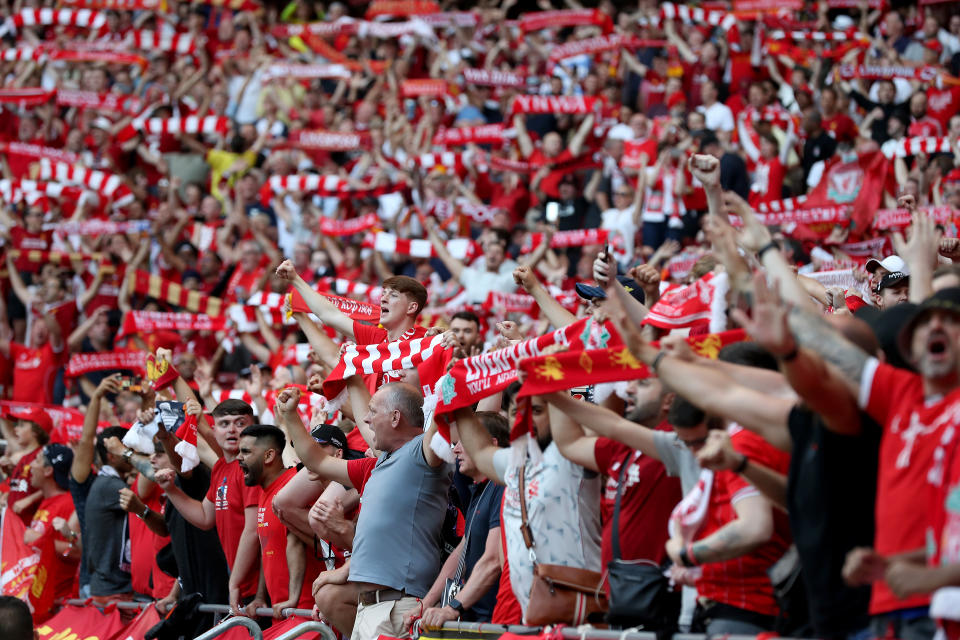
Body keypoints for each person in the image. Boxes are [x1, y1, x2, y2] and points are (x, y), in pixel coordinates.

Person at [275, 383, 451, 640]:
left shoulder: (422, 452)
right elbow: (317, 461)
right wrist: (290, 416)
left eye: (373, 411)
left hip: (399, 607)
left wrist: (450, 379)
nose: (366, 419)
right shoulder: (377, 464)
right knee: (329, 596)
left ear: (395, 417)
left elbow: (442, 416)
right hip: (369, 607)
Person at [454, 385, 602, 622]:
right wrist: (456, 391)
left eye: (536, 411)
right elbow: (480, 450)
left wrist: (553, 378)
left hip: (579, 620)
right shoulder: (514, 463)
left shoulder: (573, 454)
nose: (525, 419)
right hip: (533, 617)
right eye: (516, 412)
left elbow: (602, 423)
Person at [153, 398, 262, 613]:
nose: (232, 430)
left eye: (240, 423)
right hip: (241, 586)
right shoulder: (221, 467)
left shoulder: (250, 467)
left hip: (258, 591)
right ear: (215, 430)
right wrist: (171, 490)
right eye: (224, 424)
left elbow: (254, 531)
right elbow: (204, 517)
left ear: (253, 429)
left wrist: (234, 582)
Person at [417, 412, 509, 627]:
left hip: (494, 621)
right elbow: (462, 551)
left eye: (463, 443)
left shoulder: (502, 487)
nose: (455, 449)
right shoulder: (479, 490)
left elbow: (493, 560)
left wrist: (452, 607)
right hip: (473, 619)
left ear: (491, 445)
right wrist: (428, 603)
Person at [236, 424, 324, 616]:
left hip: (308, 614)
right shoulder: (264, 491)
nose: (238, 458)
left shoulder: (296, 486)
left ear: (268, 456)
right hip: (282, 612)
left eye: (245, 452)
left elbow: (304, 541)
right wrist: (260, 597)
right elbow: (267, 548)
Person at [25, 444, 81, 622]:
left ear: (48, 470)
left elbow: (75, 551)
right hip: (36, 596)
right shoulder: (46, 501)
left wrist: (37, 539)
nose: (31, 465)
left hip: (55, 605)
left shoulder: (68, 504)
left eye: (37, 460)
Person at [85, 423, 134, 602]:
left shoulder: (106, 482)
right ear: (111, 456)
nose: (131, 454)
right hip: (113, 590)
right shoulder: (109, 486)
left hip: (109, 587)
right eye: (126, 450)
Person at [0, 408, 51, 524]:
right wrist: (9, 475)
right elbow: (23, 486)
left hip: (31, 523)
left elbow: (56, 486)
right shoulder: (24, 457)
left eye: (21, 425)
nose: (15, 429)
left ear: (36, 431)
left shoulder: (42, 455)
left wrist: (29, 499)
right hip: (16, 523)